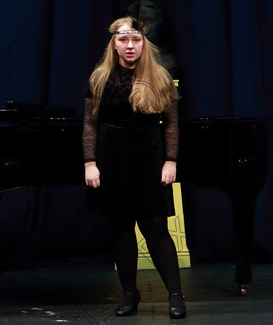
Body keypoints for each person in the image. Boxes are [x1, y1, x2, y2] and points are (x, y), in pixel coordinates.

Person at [83, 16, 186, 318]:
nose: (130, 46)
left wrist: (171, 160)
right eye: (123, 40)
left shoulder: (160, 77)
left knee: (156, 229)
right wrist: (90, 163)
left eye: (136, 40)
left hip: (148, 159)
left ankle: (176, 295)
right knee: (120, 228)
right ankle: (130, 293)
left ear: (144, 43)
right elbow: (90, 124)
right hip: (111, 160)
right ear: (113, 43)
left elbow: (171, 125)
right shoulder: (99, 78)